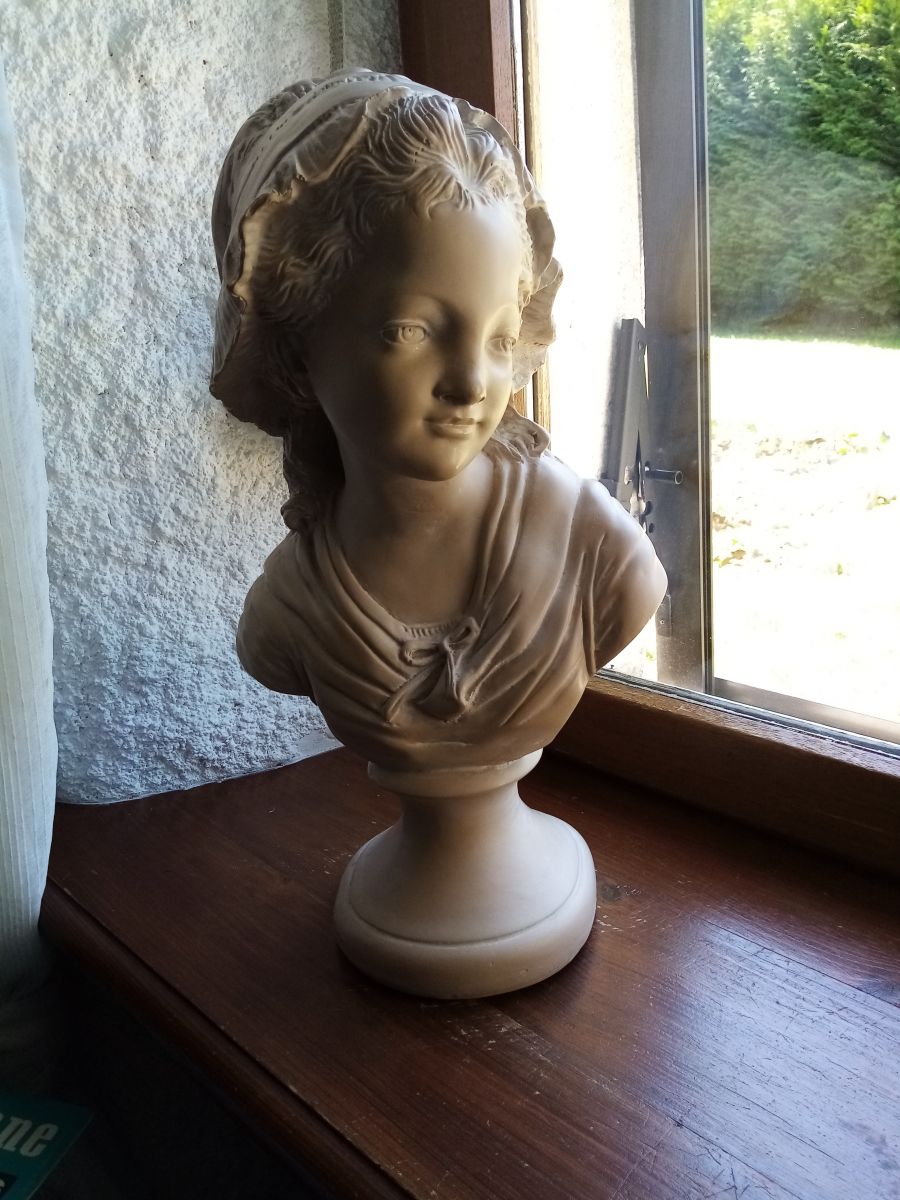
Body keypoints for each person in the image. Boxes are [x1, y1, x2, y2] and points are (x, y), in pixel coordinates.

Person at [211, 69, 666, 771]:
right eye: (412, 331)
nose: (470, 383)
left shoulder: (600, 556)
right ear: (297, 349)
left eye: (500, 338)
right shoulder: (290, 609)